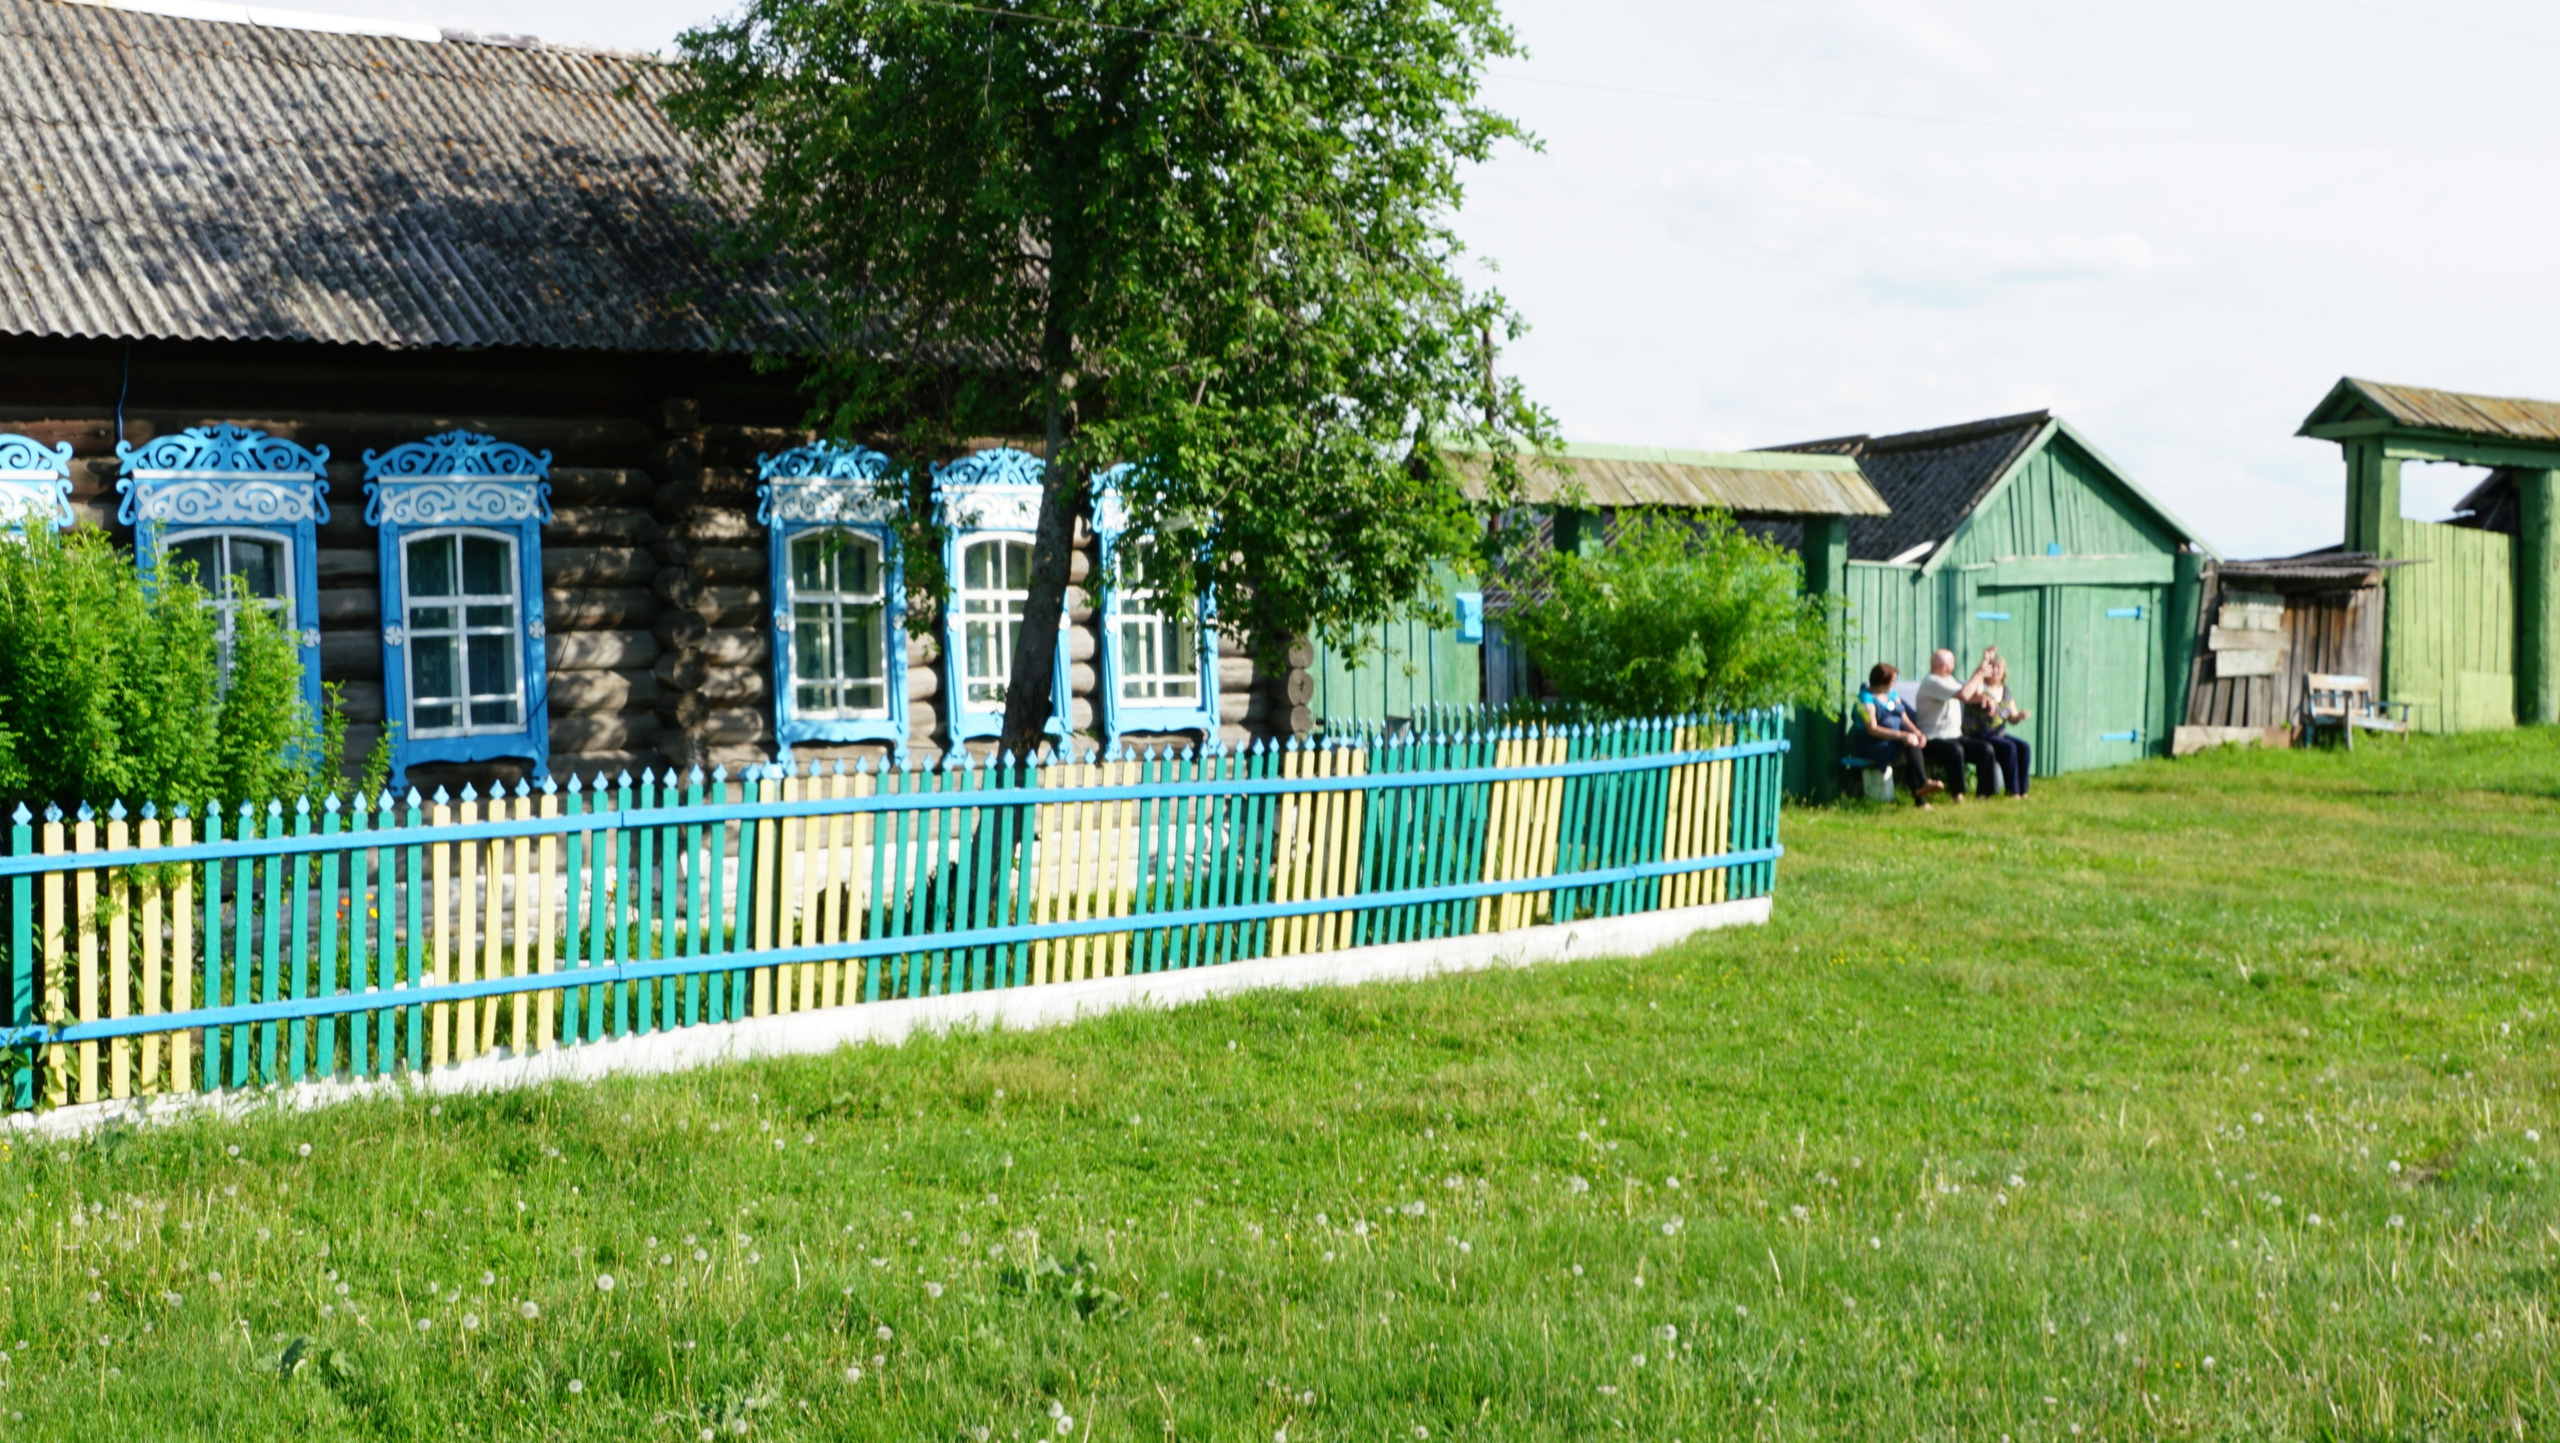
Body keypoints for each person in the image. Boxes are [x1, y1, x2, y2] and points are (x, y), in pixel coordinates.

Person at [1851, 662, 1944, 807]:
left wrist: (1918, 733)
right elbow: (1872, 729)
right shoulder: (1865, 699)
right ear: (1883, 681)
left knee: (1912, 746)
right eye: (1893, 680)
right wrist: (1901, 735)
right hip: (1874, 744)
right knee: (1910, 750)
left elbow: (1903, 718)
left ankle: (1922, 790)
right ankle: (1922, 792)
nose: (1895, 683)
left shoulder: (1891, 694)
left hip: (1893, 741)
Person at [1911, 648, 1997, 800]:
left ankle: (1984, 794)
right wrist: (1980, 673)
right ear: (1945, 665)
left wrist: (1985, 699)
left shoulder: (1948, 680)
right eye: (1952, 661)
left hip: (1954, 735)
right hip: (1932, 738)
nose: (1954, 664)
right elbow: (1964, 695)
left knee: (1985, 749)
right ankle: (1958, 794)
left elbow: (1970, 693)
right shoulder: (1932, 681)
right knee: (1954, 751)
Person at [1966, 650, 2032, 798]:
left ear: (2004, 672)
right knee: (2009, 748)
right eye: (1992, 667)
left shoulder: (2006, 691)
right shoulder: (1980, 687)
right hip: (1978, 733)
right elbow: (1970, 691)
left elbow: (2012, 718)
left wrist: (2020, 716)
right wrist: (1983, 663)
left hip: (1998, 733)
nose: (1995, 671)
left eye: (1999, 668)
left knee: (2024, 747)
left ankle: (2023, 790)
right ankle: (2012, 791)